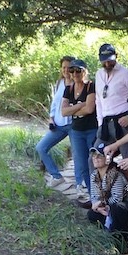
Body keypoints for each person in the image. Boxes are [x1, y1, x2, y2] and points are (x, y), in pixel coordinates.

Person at [61, 59, 98, 203]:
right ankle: (89, 194)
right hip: (76, 131)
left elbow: (90, 109)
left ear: (85, 71)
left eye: (78, 70)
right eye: (72, 71)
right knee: (81, 164)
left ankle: (98, 193)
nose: (75, 74)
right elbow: (63, 112)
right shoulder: (68, 89)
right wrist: (81, 105)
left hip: (92, 129)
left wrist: (73, 108)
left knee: (93, 161)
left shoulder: (90, 86)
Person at [36, 55, 74, 188]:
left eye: (69, 68)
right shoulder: (59, 83)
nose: (66, 70)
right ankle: (56, 176)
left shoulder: (78, 84)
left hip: (73, 125)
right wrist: (51, 118)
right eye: (63, 67)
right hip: (58, 125)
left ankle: (83, 185)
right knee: (41, 147)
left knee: (79, 157)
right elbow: (55, 103)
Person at [85, 144, 128, 247]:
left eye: (99, 156)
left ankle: (126, 238)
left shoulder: (116, 174)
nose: (95, 158)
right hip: (105, 206)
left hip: (125, 206)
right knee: (91, 214)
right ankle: (105, 238)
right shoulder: (94, 175)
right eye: (93, 156)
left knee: (116, 209)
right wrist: (97, 207)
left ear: (107, 158)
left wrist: (103, 205)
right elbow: (94, 196)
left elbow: (117, 198)